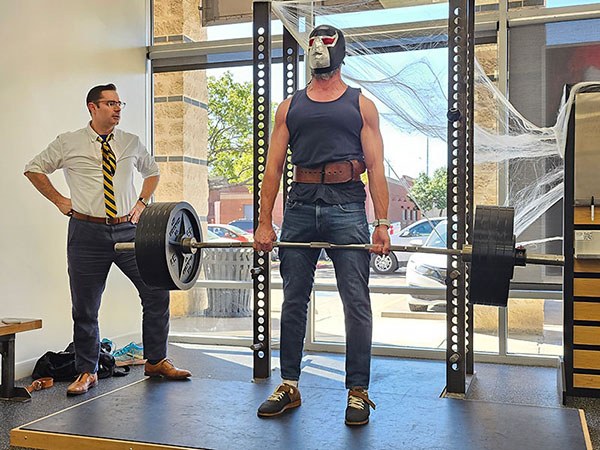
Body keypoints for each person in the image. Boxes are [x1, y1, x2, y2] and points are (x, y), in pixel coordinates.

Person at [254, 25, 391, 426]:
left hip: (347, 204)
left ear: (339, 52)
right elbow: (273, 168)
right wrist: (264, 222)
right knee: (294, 299)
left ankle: (358, 392)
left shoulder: (361, 104)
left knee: (356, 301)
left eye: (325, 44)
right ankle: (289, 385)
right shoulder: (289, 107)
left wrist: (381, 223)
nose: (318, 50)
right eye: (314, 44)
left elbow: (378, 168)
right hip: (300, 205)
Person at [24, 83, 191, 396]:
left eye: (120, 104)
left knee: (156, 291)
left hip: (129, 231)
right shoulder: (68, 142)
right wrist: (60, 199)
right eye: (111, 103)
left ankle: (156, 360)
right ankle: (87, 371)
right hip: (86, 232)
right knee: (85, 307)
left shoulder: (130, 142)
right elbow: (33, 169)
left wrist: (141, 202)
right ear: (93, 107)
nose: (118, 109)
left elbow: (152, 172)